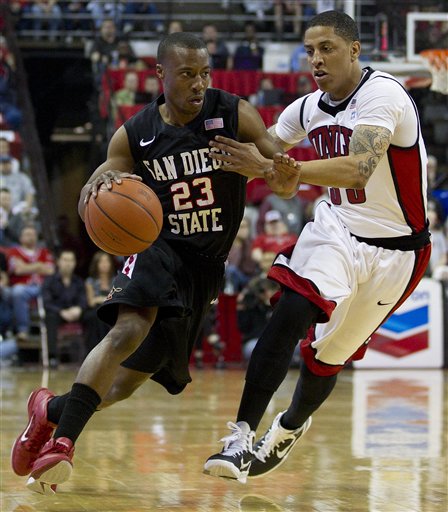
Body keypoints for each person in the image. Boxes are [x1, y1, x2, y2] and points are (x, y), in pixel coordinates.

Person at [11, 32, 287, 494]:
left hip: (205, 268)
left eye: (204, 73)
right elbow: (97, 183)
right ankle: (63, 442)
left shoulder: (235, 114)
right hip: (157, 246)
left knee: (123, 386)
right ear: (160, 75)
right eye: (186, 74)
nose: (198, 84)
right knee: (127, 329)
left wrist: (263, 167)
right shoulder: (135, 133)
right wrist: (93, 190)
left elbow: (286, 181)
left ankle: (50, 409)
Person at [203, 10, 432, 483]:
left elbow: (357, 169)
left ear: (353, 50)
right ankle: (239, 436)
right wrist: (244, 164)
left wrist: (281, 172)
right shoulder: (305, 109)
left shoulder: (384, 94)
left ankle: (286, 429)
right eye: (309, 51)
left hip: (399, 251)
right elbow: (272, 159)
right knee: (290, 309)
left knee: (328, 357)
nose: (315, 59)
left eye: (326, 48)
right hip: (338, 228)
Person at [7, 225, 55, 343]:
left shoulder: (44, 251)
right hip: (24, 287)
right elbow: (18, 270)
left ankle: (51, 331)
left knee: (56, 291)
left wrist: (26, 267)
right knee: (17, 292)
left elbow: (51, 270)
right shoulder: (14, 251)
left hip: (43, 287)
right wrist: (39, 266)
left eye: (33, 234)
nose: (31, 237)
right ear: (20, 238)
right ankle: (23, 329)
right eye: (27, 234)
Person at [41, 250, 87, 368]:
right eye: (65, 260)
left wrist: (79, 309)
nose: (68, 263)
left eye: (71, 260)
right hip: (58, 313)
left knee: (92, 316)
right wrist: (61, 312)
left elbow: (83, 300)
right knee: (50, 317)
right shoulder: (49, 281)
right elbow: (46, 302)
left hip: (75, 312)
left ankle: (90, 354)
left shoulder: (79, 281)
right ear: (59, 262)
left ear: (75, 263)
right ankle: (52, 357)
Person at [83, 250, 116, 353]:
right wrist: (105, 299)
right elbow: (91, 302)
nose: (104, 264)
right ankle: (95, 349)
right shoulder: (90, 281)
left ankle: (107, 349)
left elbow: (115, 299)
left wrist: (100, 299)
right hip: (94, 310)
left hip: (110, 309)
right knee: (95, 316)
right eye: (101, 262)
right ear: (96, 264)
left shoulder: (116, 280)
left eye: (107, 261)